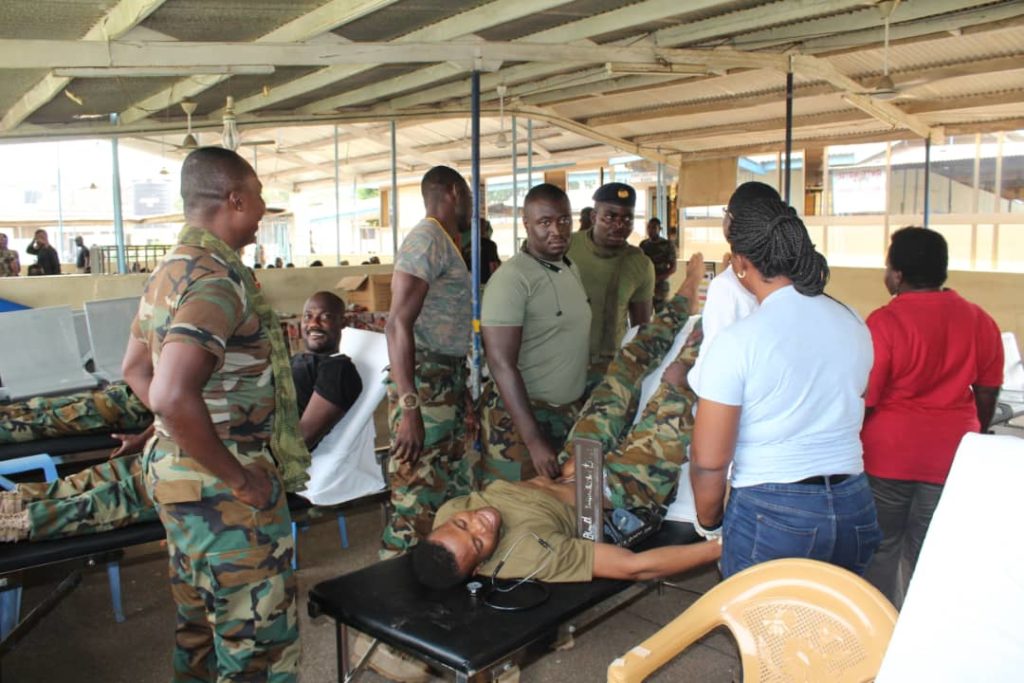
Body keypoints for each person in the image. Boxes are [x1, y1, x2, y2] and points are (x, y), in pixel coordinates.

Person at [412, 255, 722, 587]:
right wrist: (723, 546)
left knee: (625, 366)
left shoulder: (445, 518)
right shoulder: (529, 555)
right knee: (679, 378)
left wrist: (568, 471)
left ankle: (687, 294)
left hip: (575, 467)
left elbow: (474, 519)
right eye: (478, 542)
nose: (480, 524)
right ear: (479, 568)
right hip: (624, 494)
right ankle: (724, 309)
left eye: (463, 524)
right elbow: (637, 567)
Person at [121, 147, 306, 681]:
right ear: (236, 199)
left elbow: (135, 367)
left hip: (182, 478)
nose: (265, 208)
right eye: (261, 197)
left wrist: (172, 434)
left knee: (199, 626)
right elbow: (171, 394)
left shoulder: (171, 270)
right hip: (221, 491)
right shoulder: (216, 281)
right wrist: (238, 477)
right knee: (257, 648)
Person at [0, 291, 362, 544]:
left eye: (325, 317)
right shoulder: (292, 362)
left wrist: (218, 448)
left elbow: (298, 439)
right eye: (309, 315)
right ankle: (17, 500)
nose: (314, 323)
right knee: (108, 473)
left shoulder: (338, 370)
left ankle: (20, 523)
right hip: (216, 443)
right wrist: (146, 438)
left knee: (125, 495)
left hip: (244, 461)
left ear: (341, 323)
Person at [690, 197, 879, 579]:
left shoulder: (739, 341)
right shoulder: (851, 320)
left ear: (741, 263)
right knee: (833, 630)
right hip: (854, 505)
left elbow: (710, 460)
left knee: (765, 635)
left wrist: (710, 523)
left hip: (773, 511)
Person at [861, 227, 1003, 609]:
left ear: (898, 274)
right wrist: (976, 433)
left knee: (883, 545)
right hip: (952, 456)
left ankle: (876, 629)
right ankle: (919, 632)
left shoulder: (884, 322)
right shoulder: (979, 320)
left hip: (888, 455)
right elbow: (988, 390)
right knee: (928, 549)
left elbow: (869, 397)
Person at [383, 165, 473, 557]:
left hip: (444, 380)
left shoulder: (444, 241)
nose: (471, 206)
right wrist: (409, 407)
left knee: (444, 495)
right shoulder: (427, 239)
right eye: (469, 196)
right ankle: (391, 593)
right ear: (453, 192)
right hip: (424, 383)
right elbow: (396, 323)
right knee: (414, 505)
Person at [480, 184, 590, 482]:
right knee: (510, 509)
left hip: (564, 416)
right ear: (527, 224)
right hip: (518, 425)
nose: (556, 230)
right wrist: (533, 441)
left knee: (554, 511)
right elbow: (500, 363)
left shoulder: (569, 268)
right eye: (544, 222)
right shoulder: (512, 279)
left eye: (564, 220)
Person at [687, 182, 777, 394]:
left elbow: (712, 374)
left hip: (738, 409)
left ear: (729, 224)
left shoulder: (726, 287)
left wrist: (685, 376)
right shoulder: (792, 278)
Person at [568, 183, 655, 387]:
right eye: (610, 217)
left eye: (627, 219)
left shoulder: (640, 264)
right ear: (594, 217)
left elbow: (641, 328)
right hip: (564, 362)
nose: (619, 225)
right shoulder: (566, 248)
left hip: (610, 369)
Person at [639, 217, 677, 310]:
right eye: (649, 227)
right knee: (644, 314)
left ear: (659, 229)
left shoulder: (667, 244)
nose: (650, 230)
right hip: (646, 285)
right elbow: (639, 264)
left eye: (654, 228)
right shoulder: (644, 244)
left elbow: (673, 268)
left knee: (661, 315)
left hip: (660, 286)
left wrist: (658, 278)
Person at [461, 218, 501, 285]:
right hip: (485, 283)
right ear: (486, 230)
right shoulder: (490, 245)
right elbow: (493, 267)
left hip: (470, 283)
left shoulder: (467, 246)